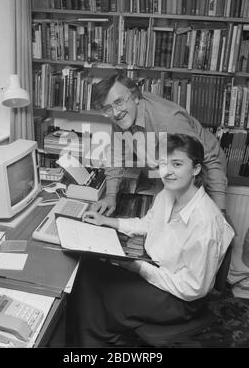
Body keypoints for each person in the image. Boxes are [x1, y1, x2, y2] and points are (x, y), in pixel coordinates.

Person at [66, 134, 234, 347]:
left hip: (180, 299)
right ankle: (90, 336)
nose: (168, 171)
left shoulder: (205, 223)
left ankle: (93, 340)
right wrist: (108, 221)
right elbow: (147, 224)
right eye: (164, 164)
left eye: (177, 164)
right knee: (88, 269)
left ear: (196, 169)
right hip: (158, 271)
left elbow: (193, 288)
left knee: (105, 293)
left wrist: (138, 268)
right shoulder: (168, 194)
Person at [91, 73, 228, 216]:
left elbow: (209, 161)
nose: (116, 113)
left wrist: (220, 210)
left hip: (205, 167)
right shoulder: (121, 116)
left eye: (119, 102)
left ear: (136, 97)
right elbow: (116, 155)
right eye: (108, 109)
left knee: (203, 222)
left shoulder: (168, 120)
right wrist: (110, 196)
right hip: (169, 167)